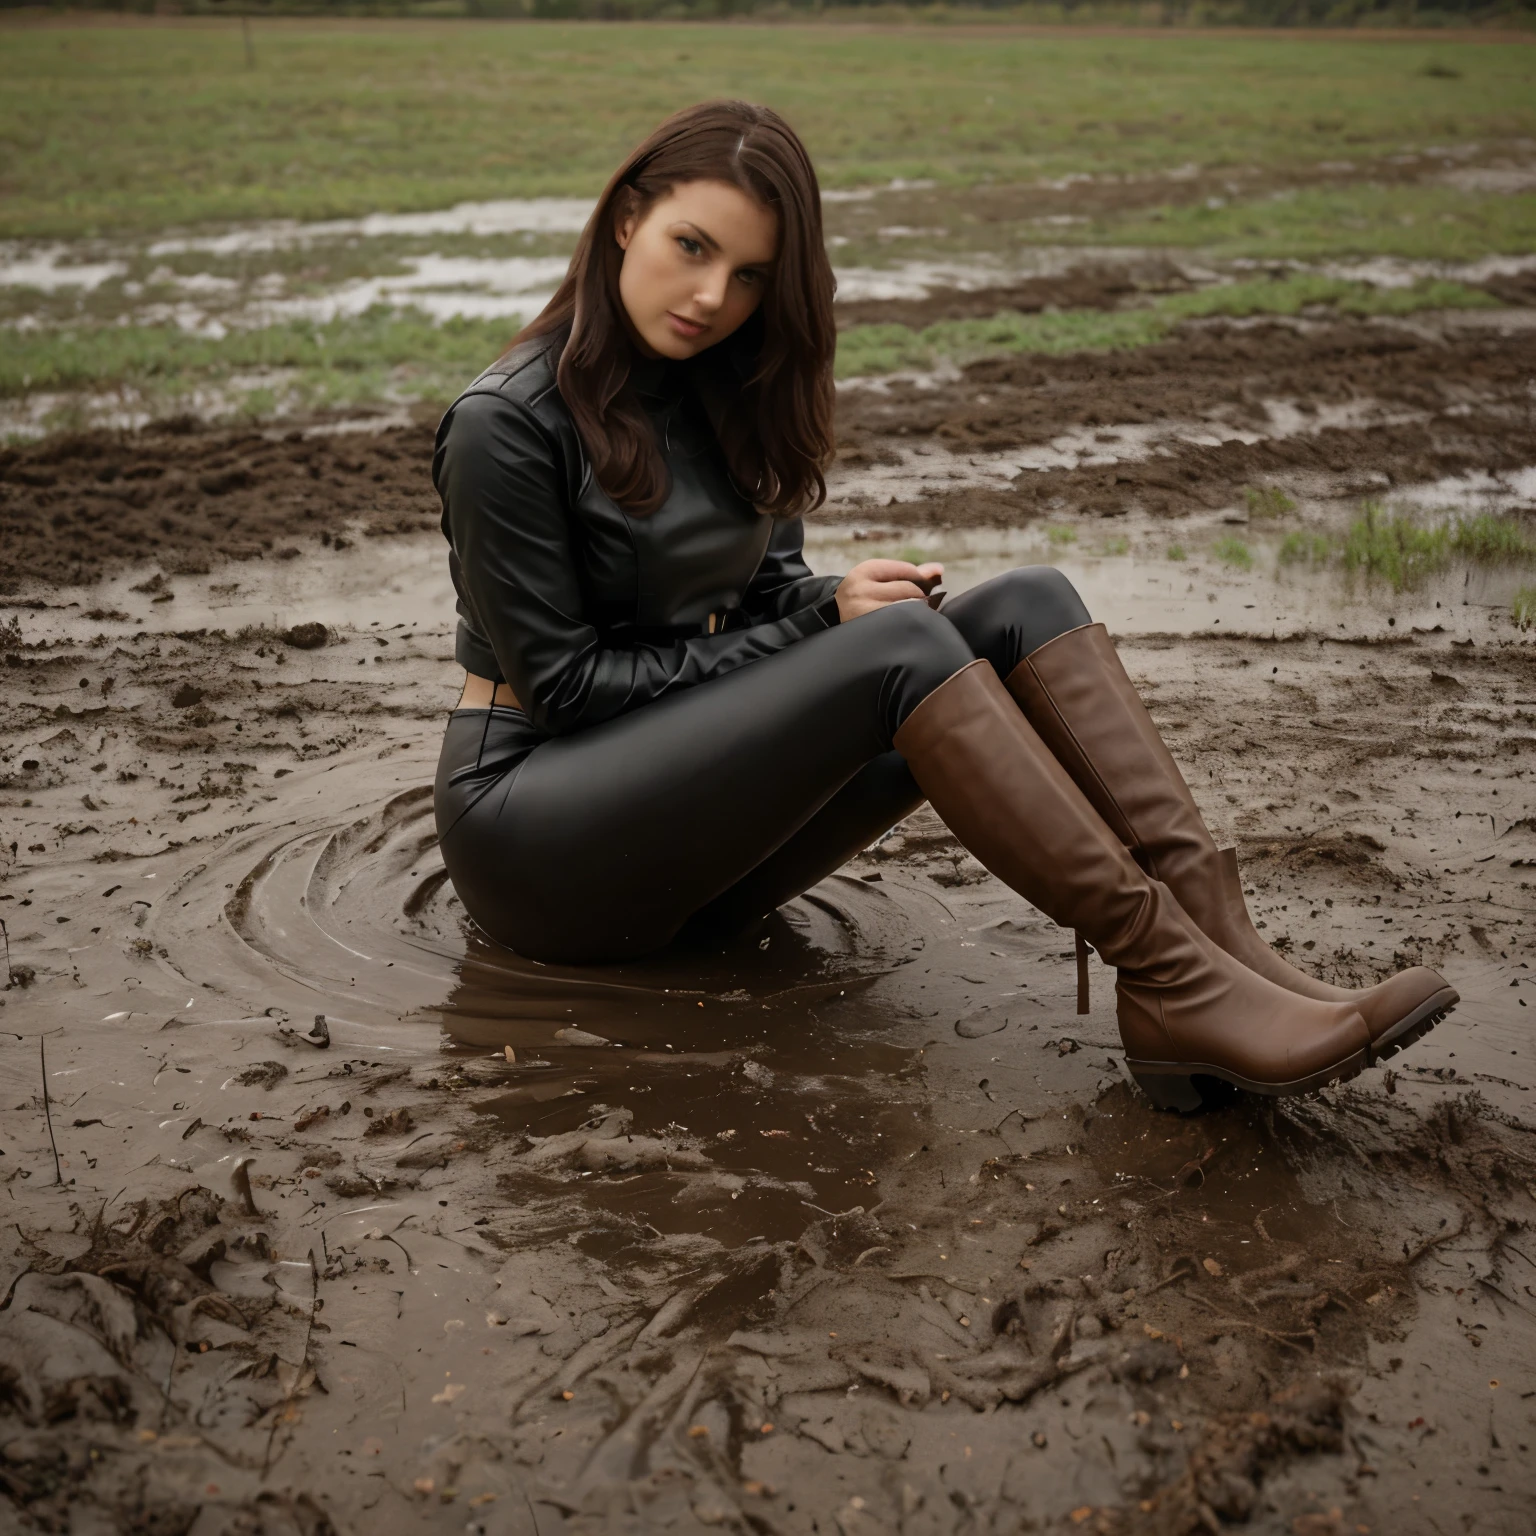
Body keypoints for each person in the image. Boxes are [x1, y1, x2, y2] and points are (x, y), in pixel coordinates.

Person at [431, 101, 1456, 1112]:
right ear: (625, 219)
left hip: (687, 837)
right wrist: (820, 626)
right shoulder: (506, 426)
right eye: (690, 247)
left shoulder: (722, 388)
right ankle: (1174, 984)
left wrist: (830, 595)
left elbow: (767, 596)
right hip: (541, 837)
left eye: (748, 276)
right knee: (902, 656)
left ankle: (1225, 956)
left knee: (1023, 603)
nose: (711, 296)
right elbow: (566, 691)